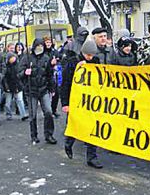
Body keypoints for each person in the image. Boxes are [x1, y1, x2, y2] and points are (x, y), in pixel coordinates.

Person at [61, 39, 103, 168]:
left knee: (93, 127)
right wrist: (65, 103)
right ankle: (68, 143)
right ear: (83, 52)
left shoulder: (96, 62)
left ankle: (92, 157)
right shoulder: (73, 62)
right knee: (74, 124)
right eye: (88, 55)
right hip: (76, 100)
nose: (90, 57)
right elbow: (65, 84)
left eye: (92, 55)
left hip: (91, 101)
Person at [21, 38, 57, 144]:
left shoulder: (46, 58)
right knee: (33, 115)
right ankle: (34, 135)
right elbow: (19, 74)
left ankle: (49, 134)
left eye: (42, 46)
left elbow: (50, 75)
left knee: (49, 112)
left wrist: (52, 88)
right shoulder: (26, 58)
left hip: (43, 89)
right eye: (38, 46)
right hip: (31, 90)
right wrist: (24, 72)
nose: (40, 48)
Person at [2, 52, 28, 121]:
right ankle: (8, 114)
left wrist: (20, 76)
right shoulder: (5, 67)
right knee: (8, 102)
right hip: (9, 86)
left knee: (20, 100)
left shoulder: (18, 65)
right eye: (11, 58)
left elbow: (20, 75)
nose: (13, 59)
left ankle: (23, 114)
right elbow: (4, 78)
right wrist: (6, 87)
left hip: (18, 85)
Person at [43, 36, 61, 118]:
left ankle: (54, 110)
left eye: (49, 42)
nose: (48, 44)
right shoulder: (43, 52)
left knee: (56, 93)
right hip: (46, 75)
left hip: (54, 75)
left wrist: (56, 61)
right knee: (47, 94)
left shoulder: (54, 51)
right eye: (47, 42)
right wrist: (50, 63)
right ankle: (47, 111)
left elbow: (59, 58)